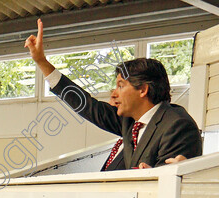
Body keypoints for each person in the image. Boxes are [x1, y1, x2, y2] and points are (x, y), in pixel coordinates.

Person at [25, 19, 202, 169]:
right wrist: (42, 62)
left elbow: (170, 185)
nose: (114, 94)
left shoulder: (177, 126)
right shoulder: (132, 122)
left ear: (143, 90)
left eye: (120, 86)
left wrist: (154, 176)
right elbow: (87, 106)